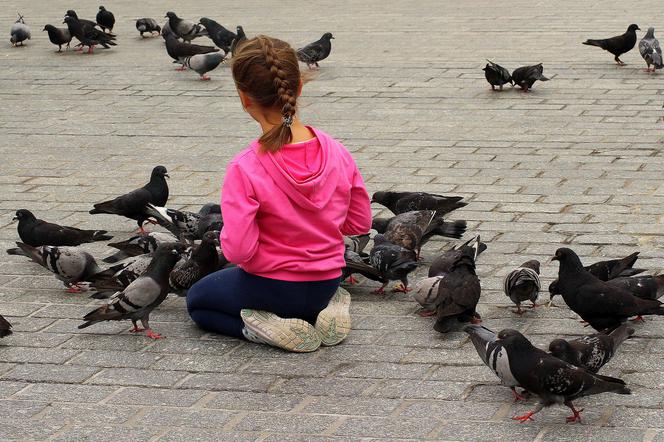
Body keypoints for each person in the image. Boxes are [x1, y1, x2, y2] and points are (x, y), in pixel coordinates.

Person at [186, 35, 372, 353]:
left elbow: (240, 252)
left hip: (271, 288)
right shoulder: (338, 152)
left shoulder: (245, 166)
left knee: (198, 300)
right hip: (326, 282)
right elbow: (359, 222)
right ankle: (324, 311)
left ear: (244, 98)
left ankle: (261, 329)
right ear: (298, 87)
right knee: (290, 292)